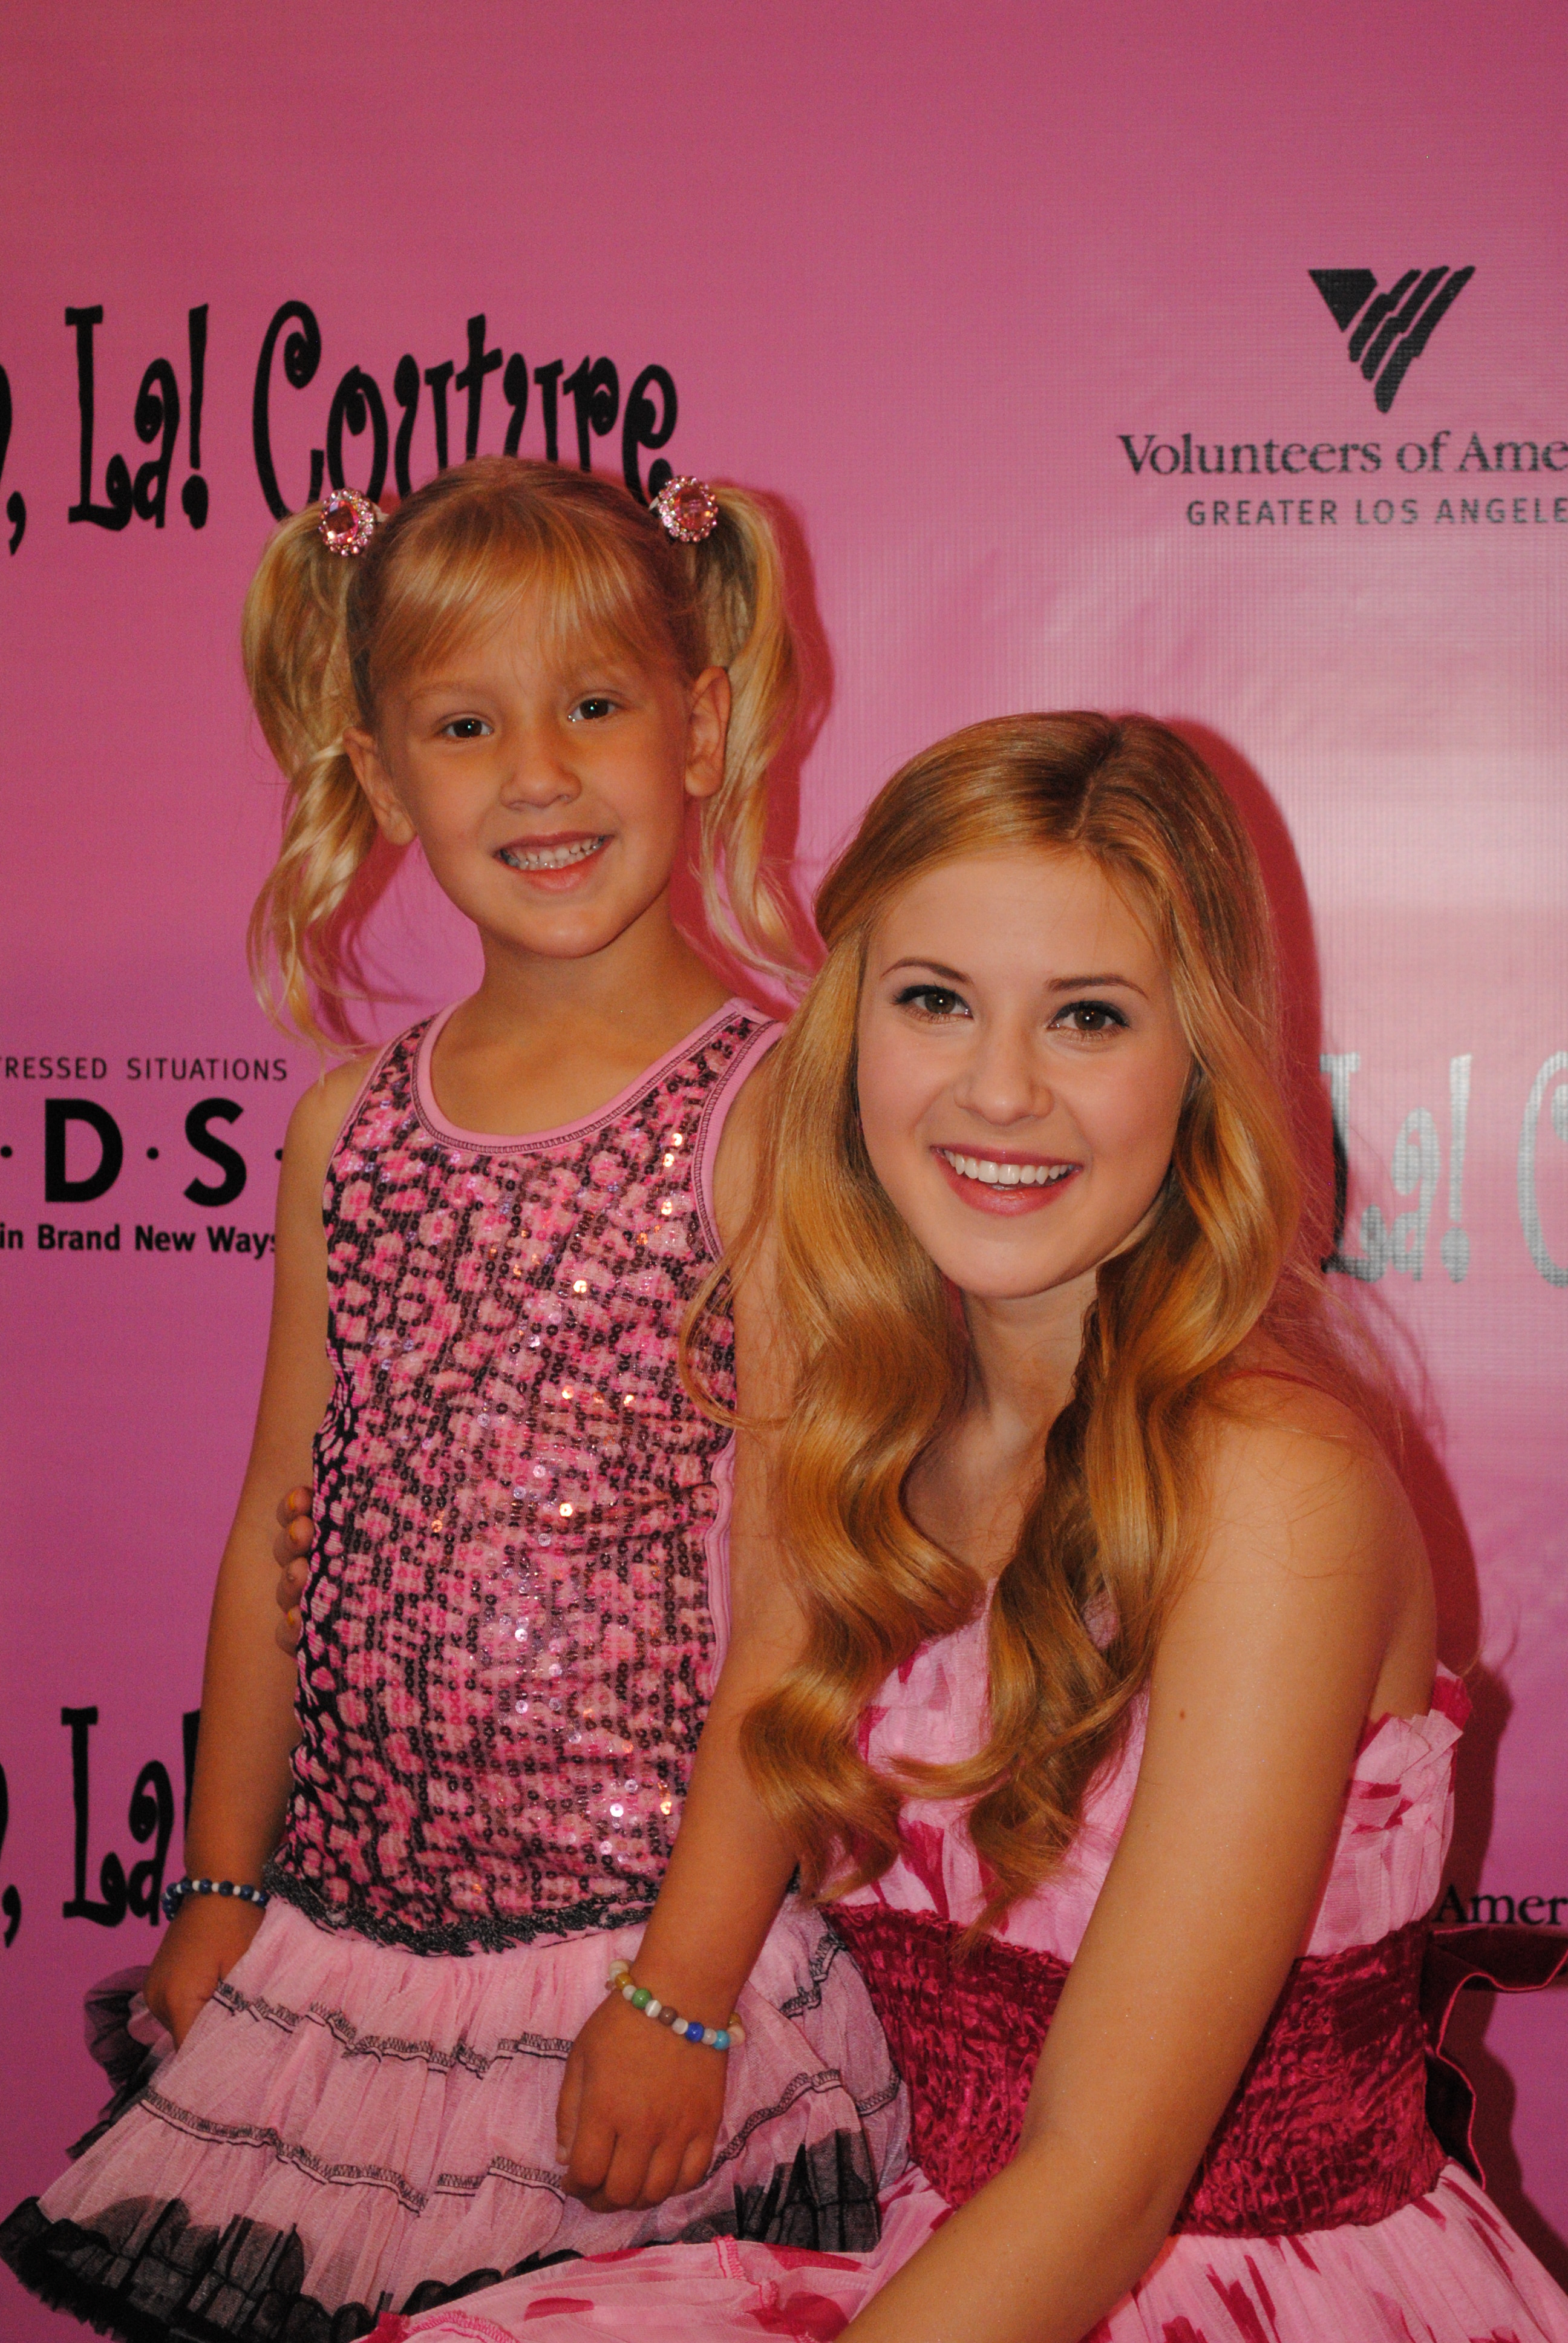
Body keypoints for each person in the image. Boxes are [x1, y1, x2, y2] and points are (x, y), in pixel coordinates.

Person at [381, 713, 1568, 2342]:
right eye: (935, 1000)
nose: (999, 1091)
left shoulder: (1278, 1485)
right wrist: (673, 2004)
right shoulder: (855, 1413)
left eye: (1088, 1018)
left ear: (1202, 1063)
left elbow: (1101, 2177)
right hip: (945, 2258)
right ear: (851, 1031)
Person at [0, 459, 901, 2341]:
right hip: (347, 1973)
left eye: (594, 707)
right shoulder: (347, 1132)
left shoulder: (767, 1119)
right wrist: (227, 1885)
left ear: (705, 721)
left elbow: (801, 1599)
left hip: (644, 1968)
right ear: (380, 771)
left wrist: (681, 1990)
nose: (540, 776)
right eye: (466, 726)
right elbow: (279, 1539)